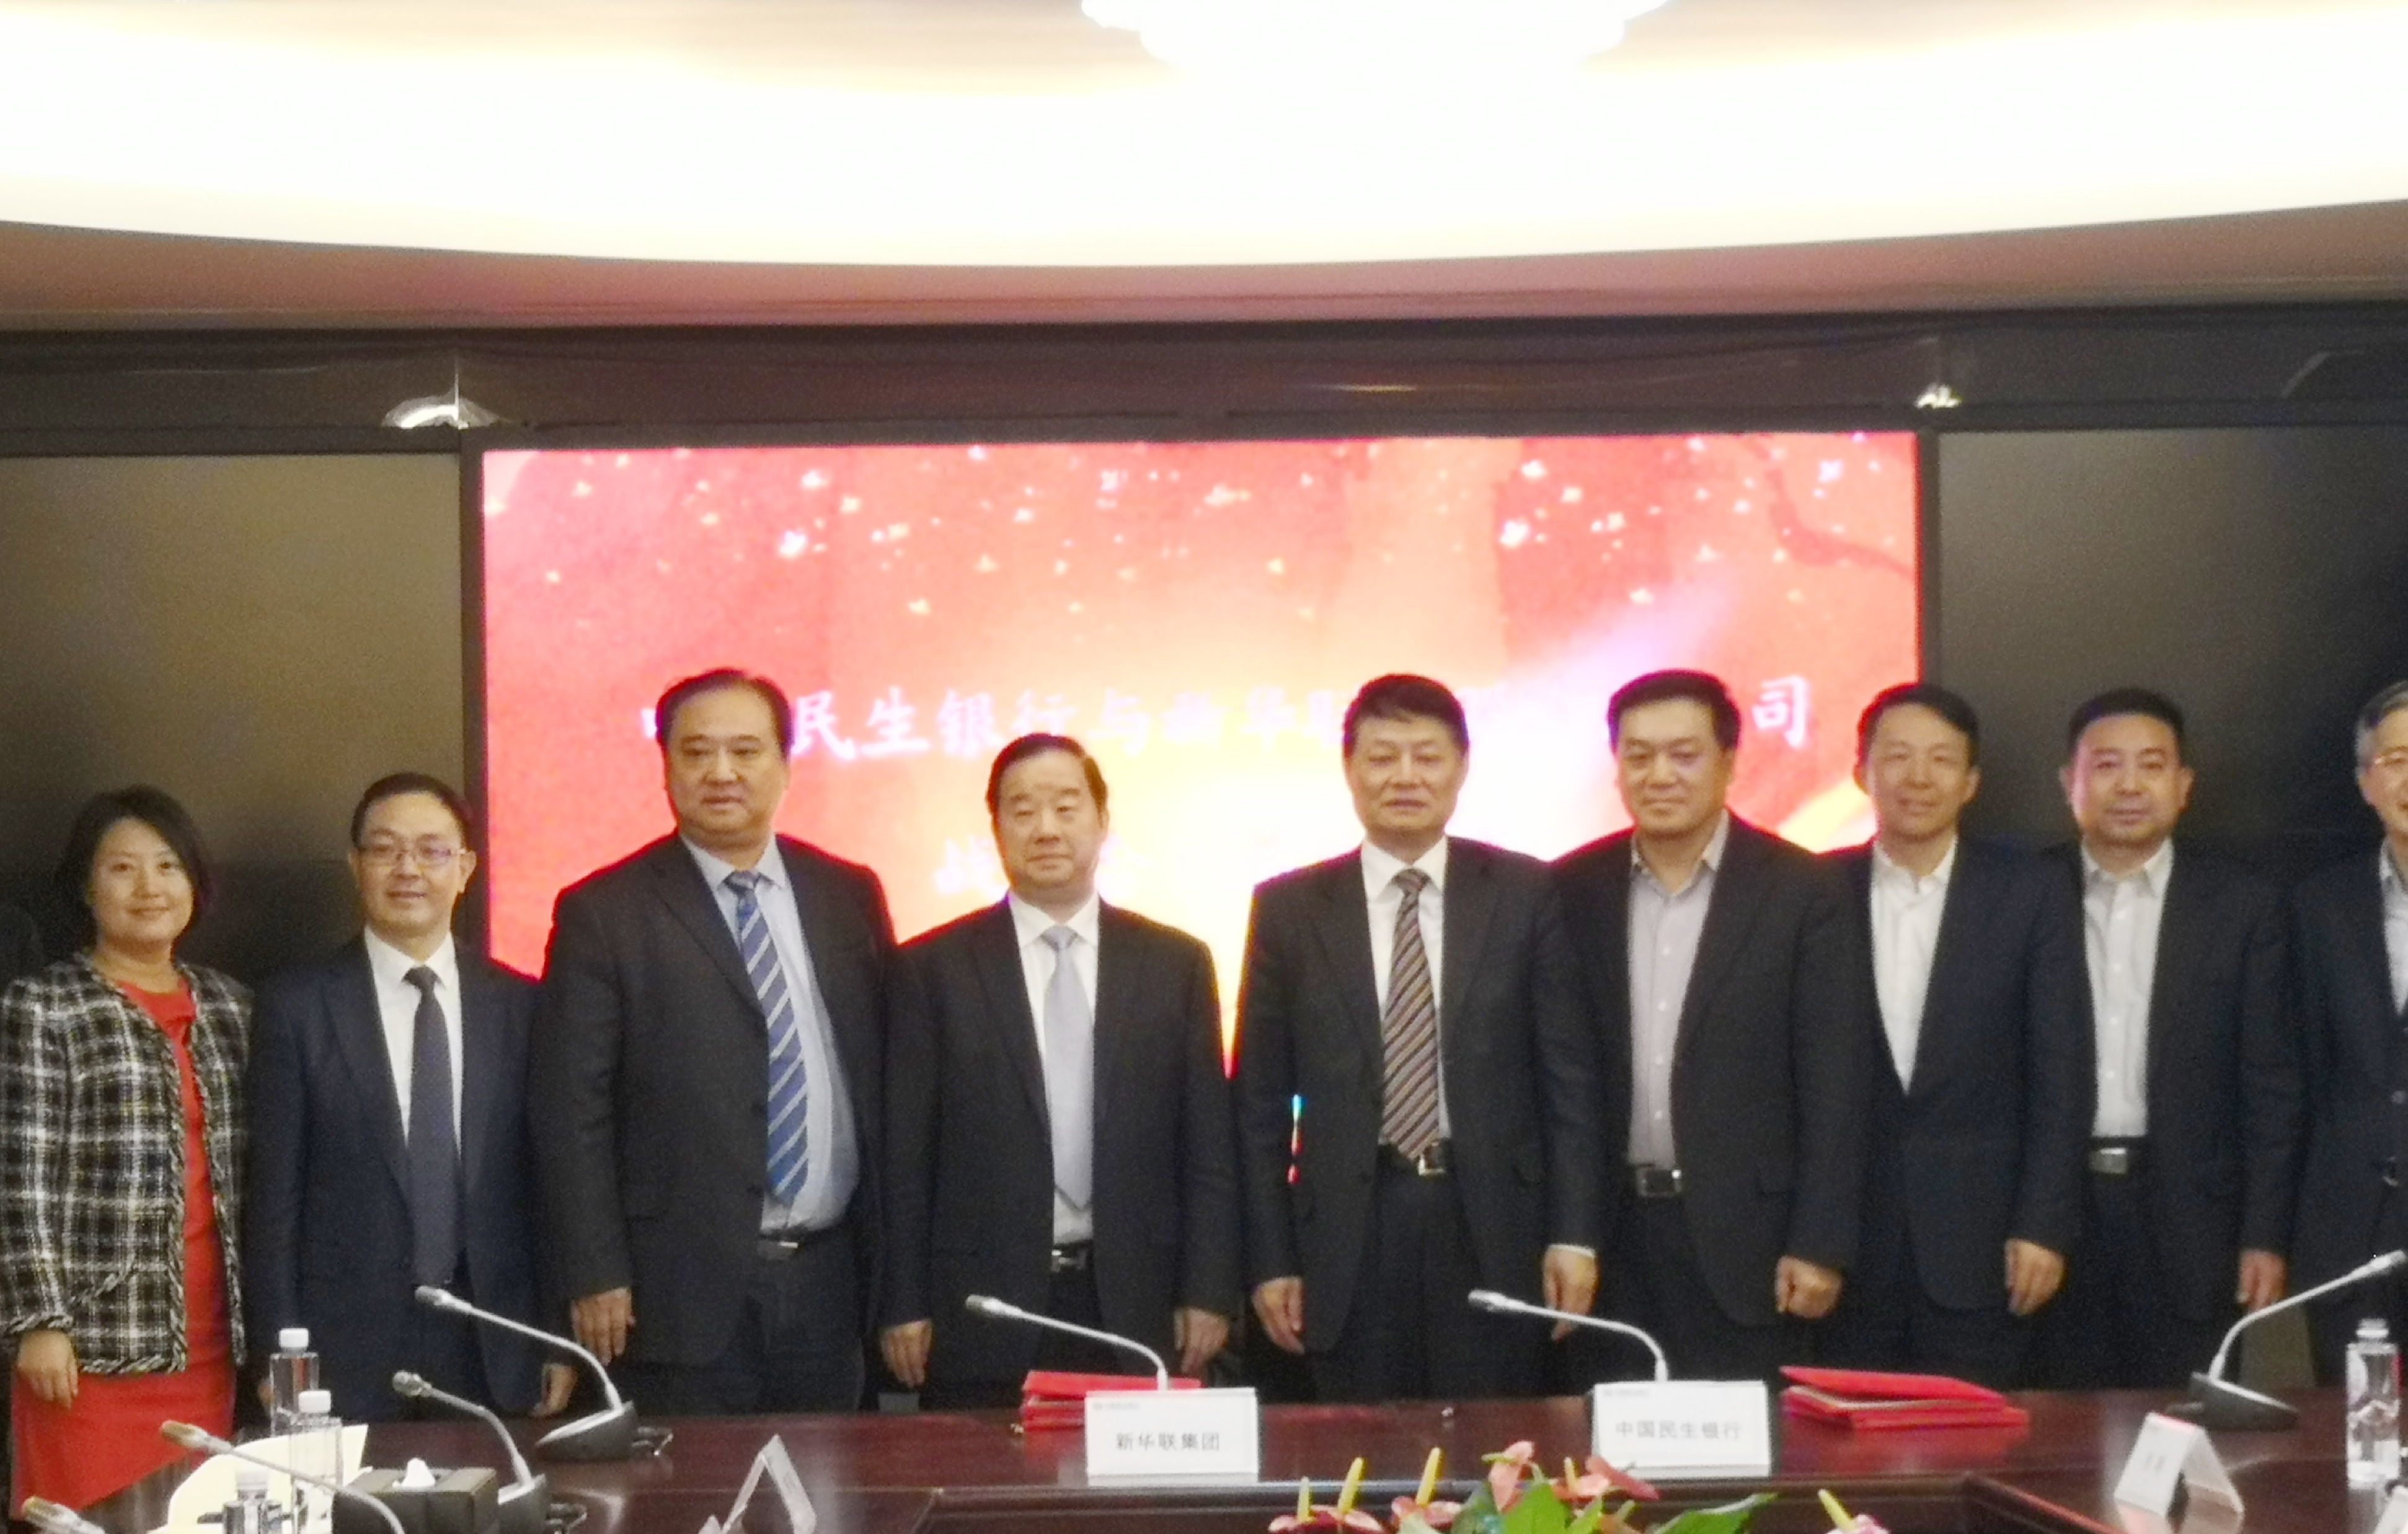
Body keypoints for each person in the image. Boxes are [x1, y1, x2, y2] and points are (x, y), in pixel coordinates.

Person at [531, 668, 895, 1413]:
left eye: (746, 750)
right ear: (665, 767)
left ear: (785, 765)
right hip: (675, 1290)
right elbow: (571, 1109)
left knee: (831, 1480)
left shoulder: (847, 894)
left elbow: (885, 1080)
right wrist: (594, 1270)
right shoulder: (604, 911)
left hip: (831, 1281)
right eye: (696, 752)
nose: (721, 771)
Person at [1233, 674, 1601, 1401]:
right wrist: (1269, 1258)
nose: (1405, 776)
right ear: (1349, 769)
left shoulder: (1522, 892)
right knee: (1356, 1448)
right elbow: (1257, 1107)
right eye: (1382, 757)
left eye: (1427, 756)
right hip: (1346, 1230)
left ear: (1461, 768)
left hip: (1492, 1220)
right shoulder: (1289, 908)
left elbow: (1569, 1083)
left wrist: (1573, 1233)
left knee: (1496, 1443)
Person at [881, 735, 1239, 1407]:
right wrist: (902, 1301)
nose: (1045, 828)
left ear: (1102, 821)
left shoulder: (1175, 964)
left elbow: (1207, 1148)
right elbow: (905, 1155)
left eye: (1066, 807)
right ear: (995, 829)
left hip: (1136, 1299)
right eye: (1022, 811)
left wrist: (1209, 1289)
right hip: (980, 1307)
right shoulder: (932, 969)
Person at [1554, 670, 1867, 1381]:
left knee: (1744, 1440)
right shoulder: (1569, 889)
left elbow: (1835, 1079)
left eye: (1684, 754)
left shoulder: (1801, 889)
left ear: (1728, 760)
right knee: (1605, 1442)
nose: (1659, 774)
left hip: (1750, 1240)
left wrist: (1819, 1241)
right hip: (1609, 1239)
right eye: (1638, 755)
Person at [244, 774, 576, 1422]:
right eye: (385, 849)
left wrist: (554, 1334)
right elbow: (273, 1198)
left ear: (466, 868)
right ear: (355, 864)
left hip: (492, 1341)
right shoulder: (297, 1006)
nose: (407, 869)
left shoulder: (521, 1006)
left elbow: (546, 1184)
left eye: (431, 850)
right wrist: (276, 1354)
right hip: (344, 1349)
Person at [2025, 690, 2302, 1388]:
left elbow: (2270, 1083)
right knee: (2057, 1425)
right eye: (2106, 765)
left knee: (2184, 1424)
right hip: (2051, 1211)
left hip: (2193, 1218)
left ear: (2182, 785)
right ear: (2068, 782)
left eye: (2150, 765)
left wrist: (2264, 1233)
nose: (2128, 785)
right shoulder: (2020, 893)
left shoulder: (2242, 904)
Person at [1821, 684, 2090, 1388]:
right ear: (1861, 772)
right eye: (1897, 756)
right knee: (1846, 1439)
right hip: (1847, 1250)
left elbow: (2061, 1070)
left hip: (1985, 1245)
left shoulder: (2029, 892)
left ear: (1969, 782)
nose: (1918, 777)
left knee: (1977, 1435)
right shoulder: (1814, 891)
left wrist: (2042, 1225)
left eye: (1940, 759)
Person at [0, 787, 247, 1508]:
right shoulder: (43, 1005)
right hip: (87, 1356)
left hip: (212, 1347)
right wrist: (39, 1320)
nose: (149, 887)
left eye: (168, 865)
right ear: (87, 885)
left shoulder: (233, 1006)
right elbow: (20, 1174)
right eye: (122, 868)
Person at [2293, 679, 2408, 1381]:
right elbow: (2296, 1073)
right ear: (2366, 782)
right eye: (2395, 759)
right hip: (2348, 1234)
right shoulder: (2319, 907)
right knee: (2358, 1423)